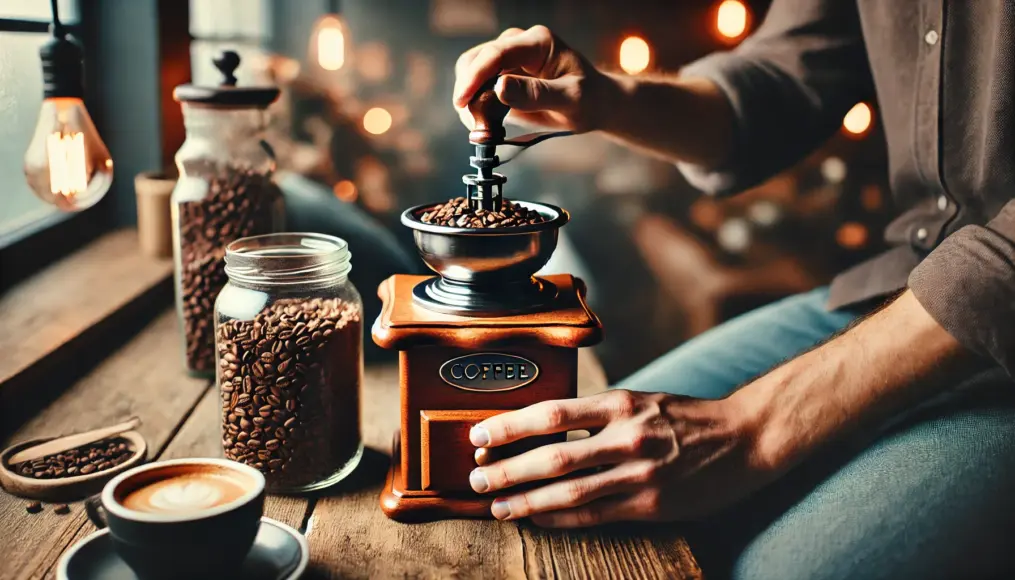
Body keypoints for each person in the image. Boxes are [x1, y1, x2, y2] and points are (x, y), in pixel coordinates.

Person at [452, 2, 1015, 579]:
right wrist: (608, 98)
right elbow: (779, 82)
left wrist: (752, 429)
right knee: (583, 472)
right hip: (897, 285)